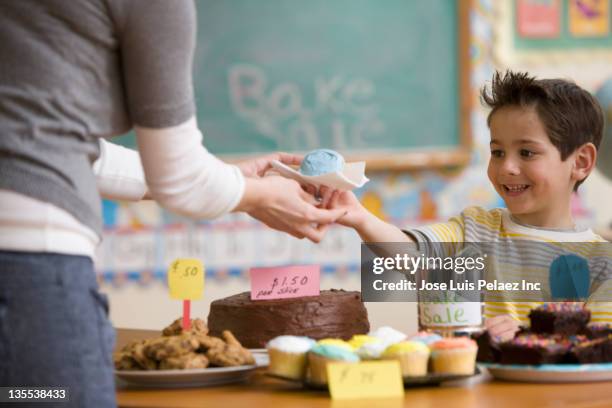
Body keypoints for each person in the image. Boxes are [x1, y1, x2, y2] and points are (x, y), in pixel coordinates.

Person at [0, 1, 343, 407]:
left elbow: (60, 143)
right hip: (28, 274)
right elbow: (181, 181)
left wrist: (227, 178)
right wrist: (257, 194)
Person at [323, 70, 611, 342]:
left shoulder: (600, 262)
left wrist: (526, 339)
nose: (507, 167)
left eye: (527, 152)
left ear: (581, 162)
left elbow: (598, 350)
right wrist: (359, 217)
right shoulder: (475, 228)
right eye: (497, 152)